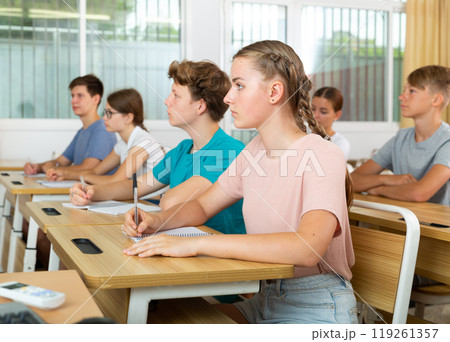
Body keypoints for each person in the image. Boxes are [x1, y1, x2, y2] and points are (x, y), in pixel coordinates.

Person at [121, 40, 357, 324]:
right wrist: (156, 221)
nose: (228, 97)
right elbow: (202, 207)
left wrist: (196, 244)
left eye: (239, 86)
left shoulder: (323, 154)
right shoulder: (253, 152)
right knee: (164, 319)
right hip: (264, 297)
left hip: (317, 305)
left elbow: (306, 248)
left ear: (274, 92)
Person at [70, 60, 246, 236]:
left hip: (218, 258)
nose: (167, 101)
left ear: (200, 105)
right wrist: (90, 192)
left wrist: (162, 199)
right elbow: (136, 187)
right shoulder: (182, 150)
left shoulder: (228, 151)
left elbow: (171, 203)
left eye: (176, 95)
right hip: (185, 246)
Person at [351, 65, 450, 206]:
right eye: (404, 90)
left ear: (436, 100)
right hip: (403, 221)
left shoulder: (447, 141)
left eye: (412, 91)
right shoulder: (401, 139)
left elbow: (420, 193)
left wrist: (379, 189)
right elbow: (351, 180)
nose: (402, 97)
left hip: (438, 226)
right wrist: (386, 180)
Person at [49, 88, 165, 184]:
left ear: (128, 118)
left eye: (109, 113)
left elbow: (117, 180)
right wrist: (64, 174)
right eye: (104, 113)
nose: (104, 118)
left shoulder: (142, 142)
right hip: (139, 201)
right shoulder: (123, 143)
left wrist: (83, 177)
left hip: (152, 204)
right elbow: (96, 171)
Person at [23, 74, 117, 179]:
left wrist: (53, 170)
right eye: (73, 96)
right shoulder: (82, 131)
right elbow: (61, 162)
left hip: (95, 193)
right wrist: (37, 167)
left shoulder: (102, 129)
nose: (73, 101)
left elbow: (88, 168)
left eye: (80, 96)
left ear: (95, 99)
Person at [311, 87, 350, 160]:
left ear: (337, 115)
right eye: (313, 109)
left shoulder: (340, 143)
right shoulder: (300, 134)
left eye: (323, 112)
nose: (315, 115)